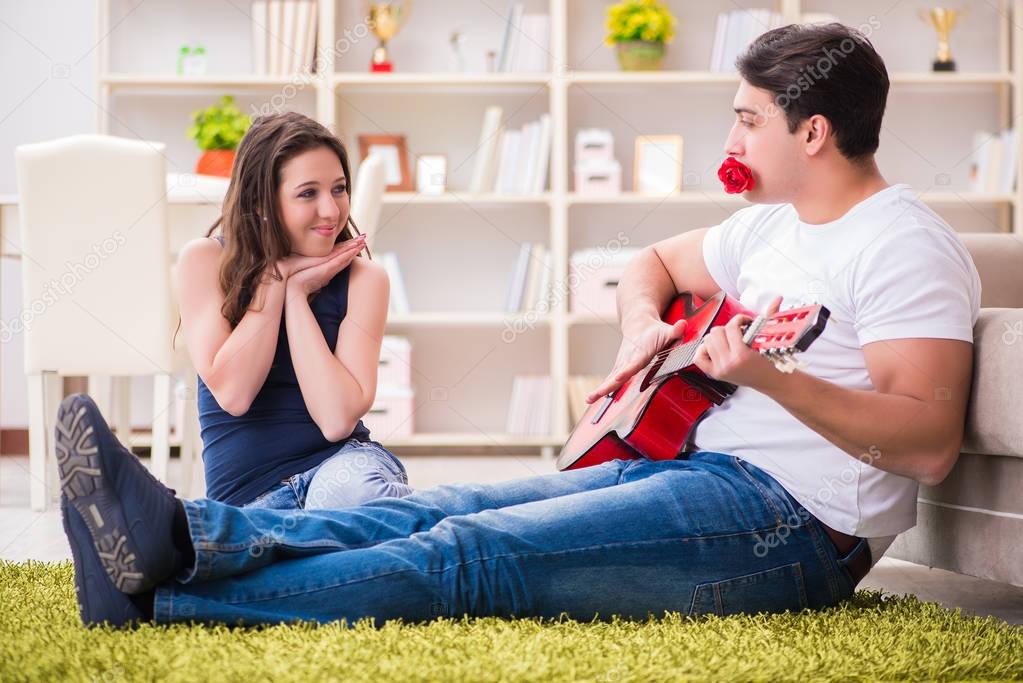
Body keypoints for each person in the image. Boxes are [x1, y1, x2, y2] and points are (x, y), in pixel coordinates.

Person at [59, 22, 980, 628]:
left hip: (795, 527)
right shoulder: (769, 226)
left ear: (811, 132)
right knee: (445, 508)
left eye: (747, 122)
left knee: (472, 557)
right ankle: (182, 537)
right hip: (702, 467)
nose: (731, 144)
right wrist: (635, 327)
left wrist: (773, 378)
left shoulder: (903, 247)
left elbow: (928, 443)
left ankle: (160, 604)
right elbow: (650, 265)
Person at [172, 112, 412, 511]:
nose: (331, 211)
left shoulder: (365, 280)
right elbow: (234, 394)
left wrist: (298, 298)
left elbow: (336, 421)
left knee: (352, 498)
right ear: (260, 201)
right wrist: (277, 281)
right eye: (307, 193)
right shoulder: (204, 261)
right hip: (250, 500)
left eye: (339, 189)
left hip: (342, 472)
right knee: (273, 553)